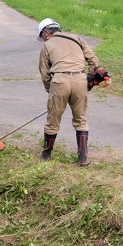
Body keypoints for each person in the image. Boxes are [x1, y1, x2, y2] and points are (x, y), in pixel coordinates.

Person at [37, 17, 101, 166]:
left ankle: (46, 155)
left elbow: (44, 73)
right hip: (80, 79)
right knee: (80, 120)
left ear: (47, 32)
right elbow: (94, 61)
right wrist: (89, 80)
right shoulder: (77, 38)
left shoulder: (47, 45)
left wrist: (51, 90)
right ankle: (83, 159)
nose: (43, 39)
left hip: (59, 81)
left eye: (42, 36)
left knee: (53, 120)